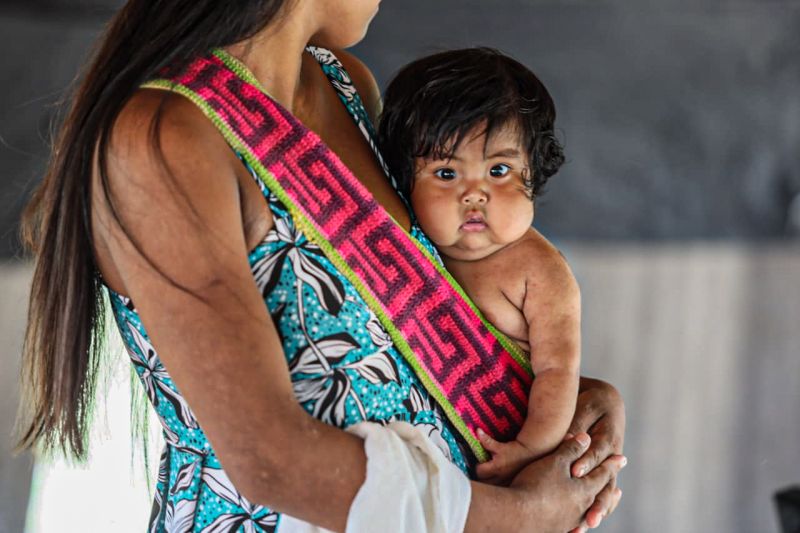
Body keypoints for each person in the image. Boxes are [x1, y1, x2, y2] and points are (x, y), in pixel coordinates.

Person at [17, 1, 626, 531]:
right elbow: (269, 460)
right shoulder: (164, 136)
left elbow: (399, 344)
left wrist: (563, 394)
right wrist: (523, 518)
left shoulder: (344, 86)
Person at [378, 48, 578, 485]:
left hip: (506, 456)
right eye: (447, 174)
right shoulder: (403, 242)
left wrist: (528, 452)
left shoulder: (538, 270)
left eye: (500, 170)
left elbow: (558, 373)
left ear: (535, 173)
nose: (475, 194)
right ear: (403, 180)